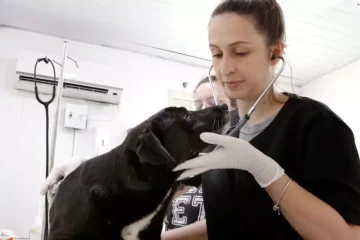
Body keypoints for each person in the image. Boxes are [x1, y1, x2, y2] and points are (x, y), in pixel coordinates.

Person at [41, 0, 360, 239]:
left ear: (275, 52)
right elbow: (227, 221)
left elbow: (346, 236)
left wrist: (266, 171)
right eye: (217, 53)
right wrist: (87, 172)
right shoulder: (221, 135)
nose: (225, 69)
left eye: (241, 52)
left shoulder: (317, 126)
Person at [163, 76, 237, 232]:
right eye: (198, 105)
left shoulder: (240, 157)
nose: (205, 110)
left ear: (235, 106)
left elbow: (229, 220)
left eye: (212, 103)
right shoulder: (187, 154)